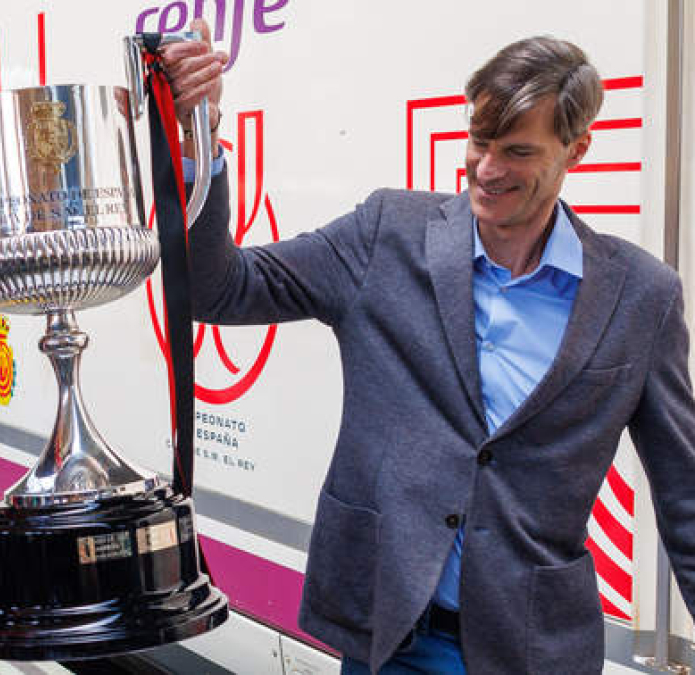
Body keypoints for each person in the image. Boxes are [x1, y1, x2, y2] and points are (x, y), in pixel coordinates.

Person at [166, 33, 695, 673]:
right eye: (479, 142)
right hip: (394, 639)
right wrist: (199, 139)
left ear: (576, 150)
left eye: (518, 151)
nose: (488, 169)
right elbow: (218, 290)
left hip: (535, 651)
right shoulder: (386, 235)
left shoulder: (640, 297)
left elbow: (684, 496)